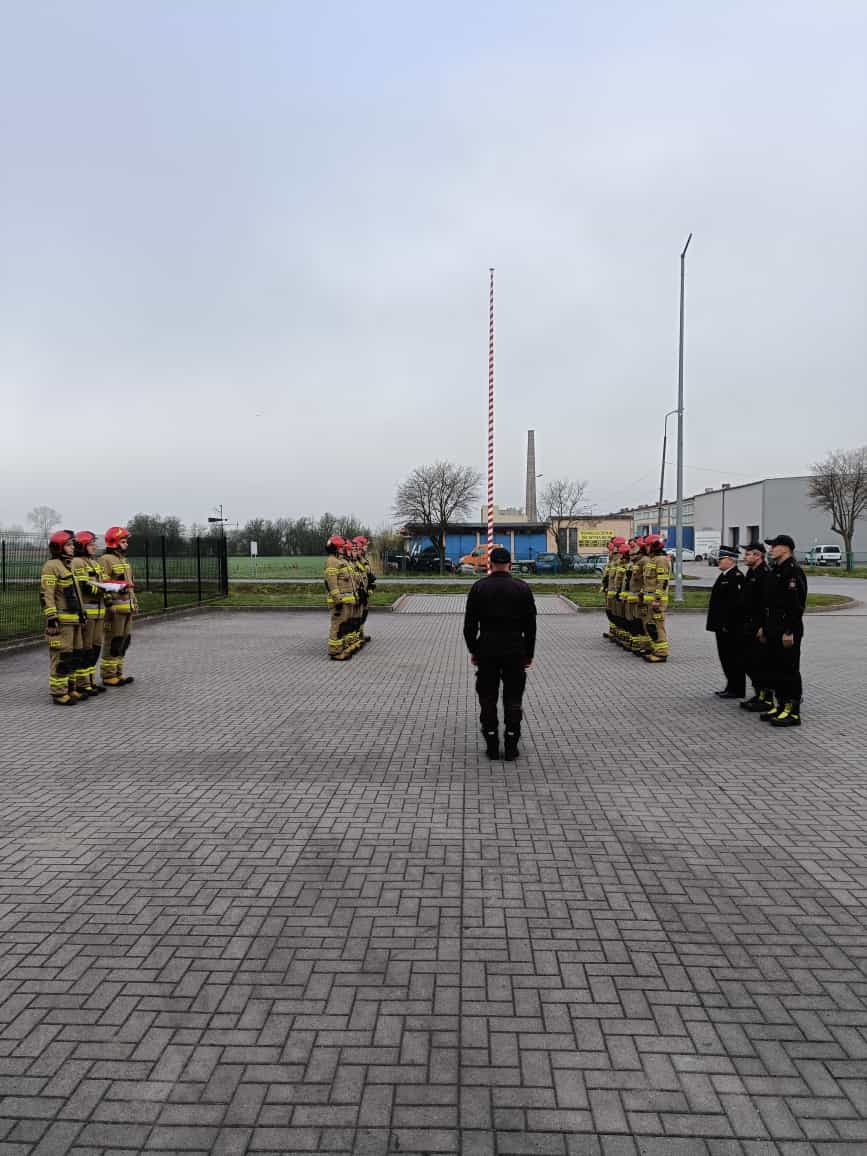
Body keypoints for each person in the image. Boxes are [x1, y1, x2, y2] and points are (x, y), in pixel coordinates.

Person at [463, 547, 537, 761]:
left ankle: (492, 745)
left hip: (487, 649)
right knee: (513, 698)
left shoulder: (479, 587)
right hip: (515, 649)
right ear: (510, 565)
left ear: (490, 564)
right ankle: (511, 745)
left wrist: (474, 650)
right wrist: (528, 653)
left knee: (487, 697)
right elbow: (530, 627)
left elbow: (469, 626)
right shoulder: (522, 588)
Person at [759, 534, 807, 727]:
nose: (771, 550)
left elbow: (796, 605)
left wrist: (789, 631)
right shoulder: (777, 570)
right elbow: (769, 603)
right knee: (776, 668)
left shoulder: (793, 571)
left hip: (786, 629)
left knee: (789, 670)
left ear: (786, 548)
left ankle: (792, 711)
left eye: (774, 546)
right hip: (773, 627)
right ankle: (781, 705)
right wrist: (764, 627)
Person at [39, 529, 87, 705]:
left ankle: (70, 688)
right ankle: (59, 693)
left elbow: (76, 594)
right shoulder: (51, 566)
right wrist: (52, 618)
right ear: (58, 547)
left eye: (72, 544)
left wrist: (81, 613)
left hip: (74, 619)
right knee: (61, 656)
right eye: (68, 545)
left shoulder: (69, 564)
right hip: (62, 621)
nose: (72, 547)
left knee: (75, 655)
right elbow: (47, 594)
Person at [98, 526, 139, 686]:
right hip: (115, 610)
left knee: (124, 641)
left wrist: (134, 601)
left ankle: (118, 672)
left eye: (126, 541)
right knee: (113, 641)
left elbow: (129, 585)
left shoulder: (123, 560)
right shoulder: (106, 560)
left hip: (127, 608)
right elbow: (103, 584)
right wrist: (109, 604)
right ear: (114, 542)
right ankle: (108, 675)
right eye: (123, 541)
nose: (126, 544)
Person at [70, 530, 109, 697]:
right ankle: (82, 683)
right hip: (89, 611)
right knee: (86, 648)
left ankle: (91, 680)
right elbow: (83, 586)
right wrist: (102, 589)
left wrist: (109, 588)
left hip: (99, 611)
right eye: (91, 544)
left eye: (94, 544)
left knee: (95, 648)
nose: (94, 547)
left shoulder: (94, 562)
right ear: (82, 546)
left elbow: (102, 581)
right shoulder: (78, 562)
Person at [706, 545, 745, 698]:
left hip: (730, 627)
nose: (719, 561)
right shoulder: (725, 575)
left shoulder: (736, 577)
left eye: (722, 559)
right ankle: (730, 686)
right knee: (725, 657)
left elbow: (735, 605)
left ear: (731, 560)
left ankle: (737, 689)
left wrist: (727, 624)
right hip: (721, 626)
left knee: (733, 658)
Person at [739, 542, 772, 713]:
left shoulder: (764, 574)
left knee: (759, 663)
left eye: (748, 554)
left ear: (758, 556)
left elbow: (766, 604)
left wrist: (763, 627)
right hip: (748, 623)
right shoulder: (751, 572)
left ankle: (766, 698)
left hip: (757, 625)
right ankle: (758, 694)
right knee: (749, 661)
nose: (745, 557)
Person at [323, 535, 356, 660]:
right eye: (341, 547)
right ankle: (335, 652)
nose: (343, 549)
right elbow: (332, 583)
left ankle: (340, 648)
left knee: (342, 625)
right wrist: (338, 600)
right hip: (338, 601)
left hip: (343, 601)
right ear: (335, 548)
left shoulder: (337, 561)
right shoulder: (332, 561)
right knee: (337, 625)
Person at [643, 536, 672, 664]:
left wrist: (657, 599)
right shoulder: (653, 559)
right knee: (651, 626)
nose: (646, 547)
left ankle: (661, 653)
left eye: (648, 545)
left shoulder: (661, 560)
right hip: (650, 600)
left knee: (658, 626)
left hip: (657, 601)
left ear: (654, 546)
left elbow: (663, 581)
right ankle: (655, 649)